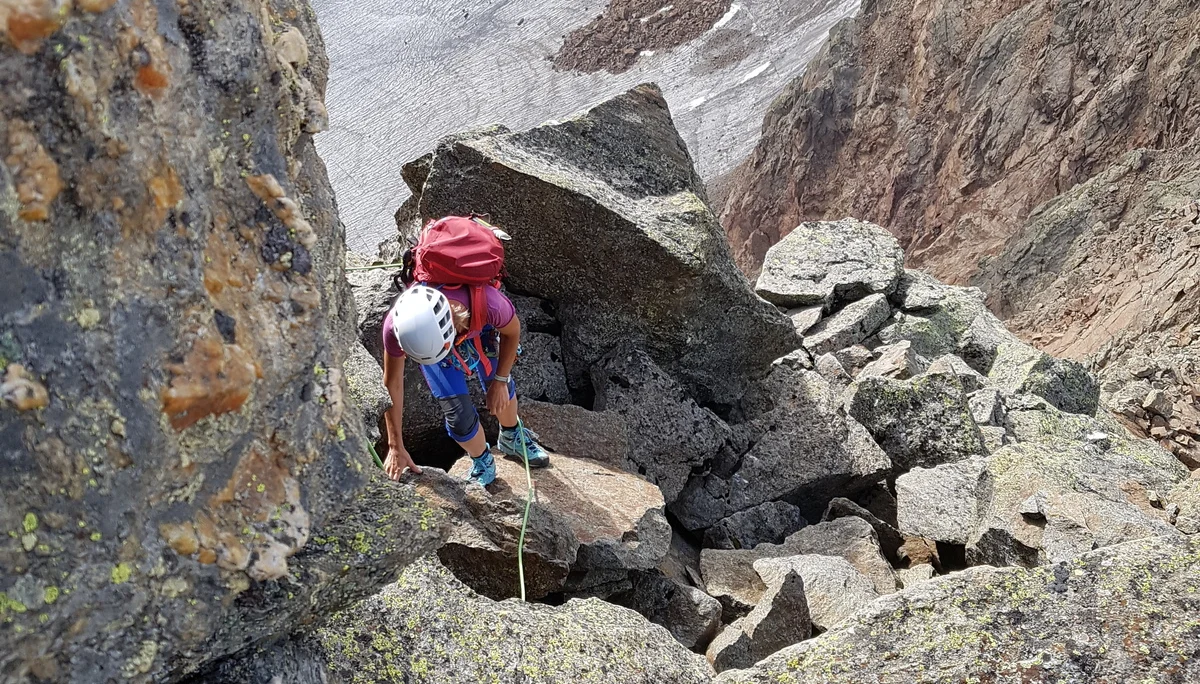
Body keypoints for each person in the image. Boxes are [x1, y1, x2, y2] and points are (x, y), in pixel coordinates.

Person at [379, 282, 550, 486]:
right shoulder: (396, 326)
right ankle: (482, 460)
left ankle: (512, 435)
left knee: (499, 390)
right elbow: (393, 383)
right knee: (459, 416)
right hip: (435, 347)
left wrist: (500, 381)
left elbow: (512, 332)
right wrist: (395, 445)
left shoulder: (490, 304)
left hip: (480, 326)